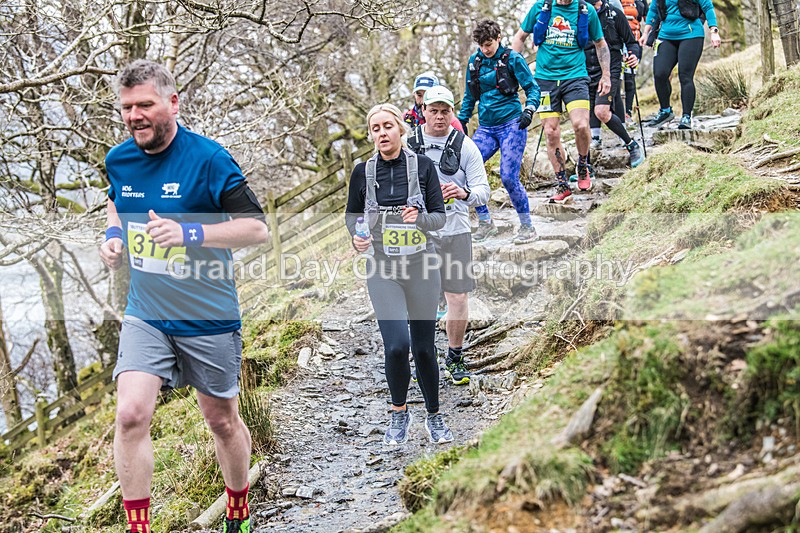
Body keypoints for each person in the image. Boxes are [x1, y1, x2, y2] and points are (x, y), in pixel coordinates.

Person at [100, 60, 268, 533]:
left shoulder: (209, 158)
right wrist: (113, 235)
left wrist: (190, 232)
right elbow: (115, 201)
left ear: (172, 103)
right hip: (147, 312)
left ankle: (238, 510)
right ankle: (139, 528)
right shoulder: (119, 159)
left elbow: (256, 228)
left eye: (145, 105)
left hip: (206, 314)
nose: (134, 116)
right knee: (130, 414)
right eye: (127, 107)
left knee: (222, 421)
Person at [345, 103, 453, 445]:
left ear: (400, 130)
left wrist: (418, 219)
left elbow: (439, 217)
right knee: (396, 346)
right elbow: (352, 215)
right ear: (371, 135)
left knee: (423, 348)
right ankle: (398, 413)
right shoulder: (363, 172)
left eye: (388, 126)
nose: (382, 133)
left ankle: (434, 416)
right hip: (383, 267)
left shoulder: (422, 166)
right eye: (375, 128)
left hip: (421, 266)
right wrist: (358, 236)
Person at [407, 86, 491, 386]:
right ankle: (423, 355)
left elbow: (483, 191)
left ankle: (455, 356)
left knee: (457, 296)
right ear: (423, 111)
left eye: (445, 111)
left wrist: (463, 192)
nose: (439, 117)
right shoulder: (408, 143)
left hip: (456, 230)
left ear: (452, 112)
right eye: (434, 111)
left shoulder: (465, 145)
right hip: (417, 232)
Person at [512, 0, 611, 204]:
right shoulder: (540, 7)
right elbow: (520, 37)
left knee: (581, 125)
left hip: (575, 76)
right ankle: (562, 184)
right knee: (550, 132)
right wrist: (515, 69)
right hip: (545, 79)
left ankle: (582, 164)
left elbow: (601, 43)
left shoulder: (586, 10)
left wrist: (606, 75)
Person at [457, 19, 541, 244]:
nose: (485, 49)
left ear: (498, 38)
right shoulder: (475, 63)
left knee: (508, 176)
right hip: (486, 128)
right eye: (481, 45)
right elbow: (469, 96)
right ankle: (486, 222)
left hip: (512, 125)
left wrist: (529, 110)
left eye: (489, 44)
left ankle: (527, 226)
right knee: (465, 170)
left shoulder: (512, 59)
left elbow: (533, 88)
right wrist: (461, 121)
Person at [639, 0, 721, 129]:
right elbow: (653, 10)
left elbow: (708, 7)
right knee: (660, 74)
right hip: (665, 35)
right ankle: (665, 111)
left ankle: (686, 116)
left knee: (685, 76)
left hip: (691, 34)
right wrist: (645, 33)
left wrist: (714, 31)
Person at [583, 0, 645, 167]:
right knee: (582, 118)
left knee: (601, 111)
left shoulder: (614, 13)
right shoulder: (578, 13)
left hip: (611, 67)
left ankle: (631, 144)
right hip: (584, 68)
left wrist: (634, 55)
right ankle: (585, 166)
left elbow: (631, 42)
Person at [621, 0, 648, 121]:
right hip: (615, 41)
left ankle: (628, 112)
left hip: (634, 42)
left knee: (630, 78)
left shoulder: (640, 1)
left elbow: (649, 18)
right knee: (616, 79)